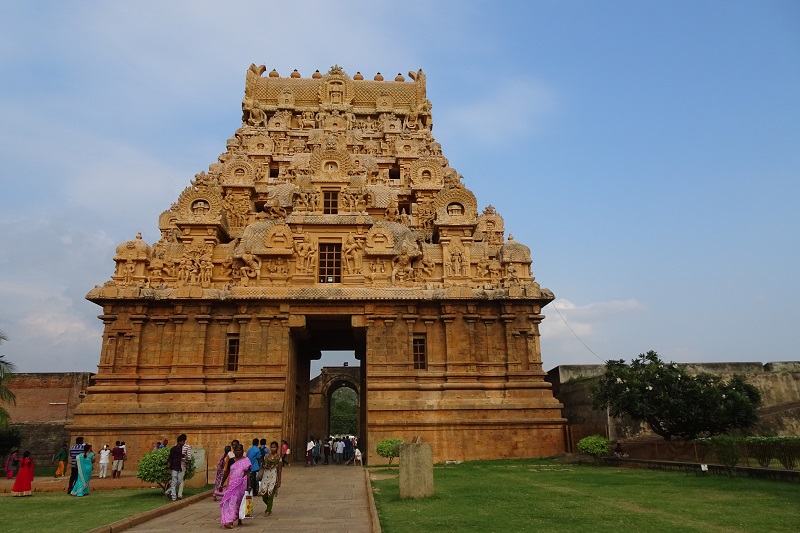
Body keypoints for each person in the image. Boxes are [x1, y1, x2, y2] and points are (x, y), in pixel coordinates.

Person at [219, 443, 250, 529]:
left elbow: (247, 473)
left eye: (239, 450)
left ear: (242, 451)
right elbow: (226, 472)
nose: (238, 452)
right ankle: (230, 521)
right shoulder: (231, 461)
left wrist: (249, 485)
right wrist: (221, 484)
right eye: (236, 450)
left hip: (242, 485)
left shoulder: (246, 460)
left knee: (239, 503)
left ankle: (239, 519)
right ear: (234, 451)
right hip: (232, 485)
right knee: (231, 503)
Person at [259, 441, 282, 516]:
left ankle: (268, 509)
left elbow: (279, 470)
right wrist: (264, 466)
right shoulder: (266, 456)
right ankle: (269, 504)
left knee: (271, 492)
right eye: (271, 447)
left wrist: (279, 481)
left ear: (277, 448)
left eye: (274, 447)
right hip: (266, 475)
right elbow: (262, 464)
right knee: (263, 493)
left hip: (273, 475)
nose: (273, 449)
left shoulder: (279, 458)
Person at [167, 434, 187, 501]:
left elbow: (179, 457)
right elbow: (170, 459)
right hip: (174, 467)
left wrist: (183, 458)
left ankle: (167, 491)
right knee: (174, 481)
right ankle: (174, 497)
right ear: (179, 441)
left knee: (179, 481)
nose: (184, 443)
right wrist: (169, 468)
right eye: (183, 441)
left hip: (179, 467)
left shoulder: (180, 448)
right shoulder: (173, 449)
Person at [178, 435, 191, 500]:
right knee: (176, 480)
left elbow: (189, 457)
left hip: (182, 465)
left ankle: (179, 494)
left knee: (181, 480)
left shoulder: (187, 447)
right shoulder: (176, 446)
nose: (183, 442)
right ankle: (171, 492)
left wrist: (186, 461)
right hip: (176, 465)